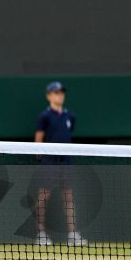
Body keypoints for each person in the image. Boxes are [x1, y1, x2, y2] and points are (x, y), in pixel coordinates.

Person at [34, 82, 87, 247]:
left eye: (61, 92)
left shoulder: (70, 116)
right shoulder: (44, 116)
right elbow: (38, 139)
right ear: (49, 96)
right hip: (50, 161)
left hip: (66, 161)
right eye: (56, 93)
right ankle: (41, 234)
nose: (60, 95)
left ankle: (73, 234)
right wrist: (41, 156)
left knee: (68, 197)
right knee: (43, 198)